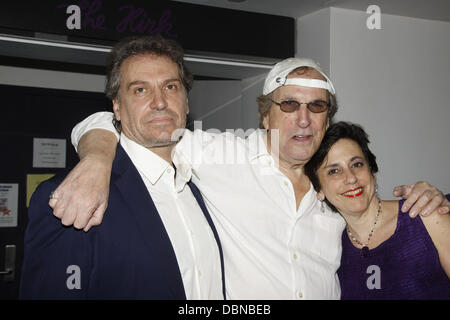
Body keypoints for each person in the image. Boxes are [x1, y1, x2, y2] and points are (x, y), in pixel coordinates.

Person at [49, 53, 450, 299]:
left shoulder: (331, 191)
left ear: (328, 118)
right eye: (289, 104)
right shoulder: (221, 153)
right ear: (264, 113)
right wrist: (97, 160)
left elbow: (375, 218)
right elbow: (125, 123)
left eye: (317, 107)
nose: (303, 119)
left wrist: (429, 198)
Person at [19, 35, 226, 299]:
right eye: (140, 90)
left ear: (186, 101)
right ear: (116, 107)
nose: (160, 102)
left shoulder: (204, 185)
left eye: (171, 87)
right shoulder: (75, 196)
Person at [304, 121, 450, 299]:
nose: (350, 178)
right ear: (318, 190)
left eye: (357, 164)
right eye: (334, 171)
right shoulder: (332, 251)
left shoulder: (425, 213)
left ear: (372, 171)